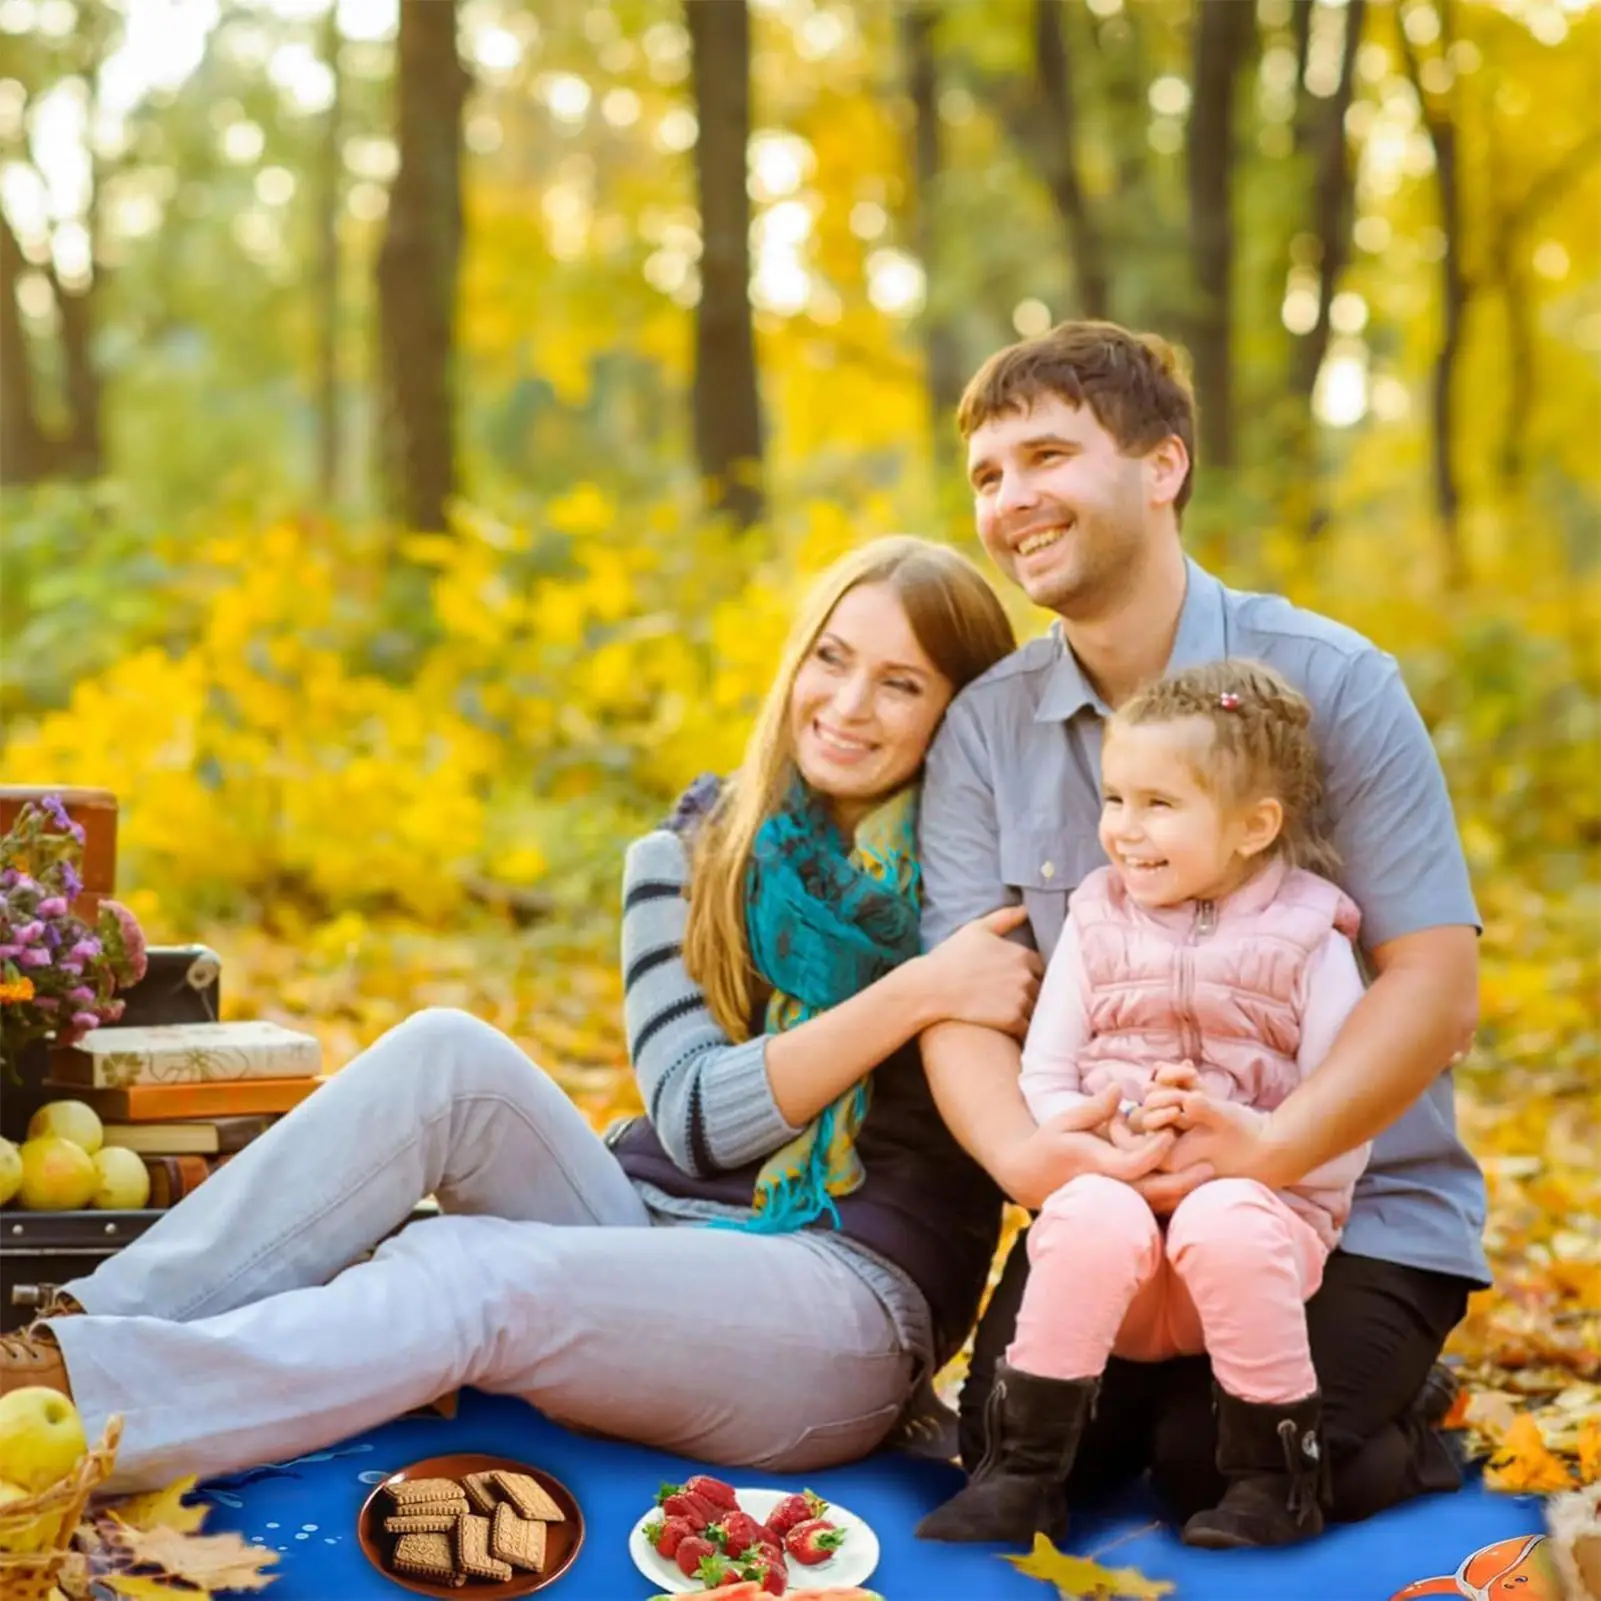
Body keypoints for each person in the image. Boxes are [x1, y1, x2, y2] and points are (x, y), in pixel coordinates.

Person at [0, 535, 1050, 1496]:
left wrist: (951, 968)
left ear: (956, 714)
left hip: (836, 1304)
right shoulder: (689, 855)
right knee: (442, 1053)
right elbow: (691, 1119)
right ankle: (66, 1338)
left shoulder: (982, 897)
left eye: (900, 681)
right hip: (638, 1226)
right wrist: (914, 990)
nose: (848, 702)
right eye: (831, 657)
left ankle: (77, 1426)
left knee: (467, 1269)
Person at [916, 321, 1489, 1533]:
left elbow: (1433, 986)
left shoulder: (1332, 682)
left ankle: (1413, 1411)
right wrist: (1032, 1162)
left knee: (1205, 1464)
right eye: (985, 474)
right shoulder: (985, 729)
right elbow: (960, 999)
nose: (1011, 498)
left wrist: (1269, 1153)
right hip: (1111, 1200)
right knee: (1016, 1458)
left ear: (1160, 465)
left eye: (1046, 457)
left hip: (1348, 1206)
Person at [920, 659, 1374, 1550]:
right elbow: (1046, 1076)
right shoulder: (1097, 922)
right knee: (1089, 1212)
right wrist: (1094, 1136)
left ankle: (1268, 1484)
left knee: (1227, 1217)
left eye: (1158, 804)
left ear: (1254, 826)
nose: (1123, 831)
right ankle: (1021, 1476)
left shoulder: (1310, 940)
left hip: (1253, 1238)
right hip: (1119, 1234)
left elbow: (1342, 1108)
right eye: (1115, 799)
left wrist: (1253, 1147)